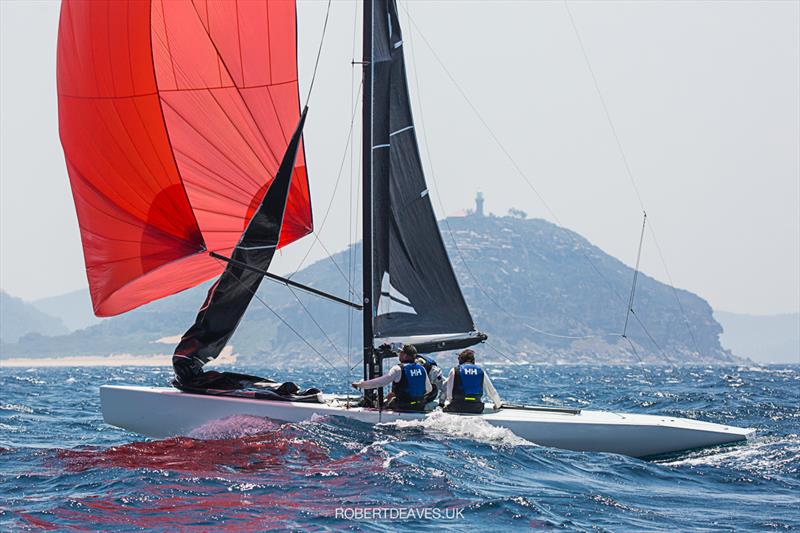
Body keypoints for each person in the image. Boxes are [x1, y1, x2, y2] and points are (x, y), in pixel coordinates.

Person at [351, 344, 432, 412]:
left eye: (401, 352)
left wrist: (360, 385)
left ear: (405, 355)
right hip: (419, 406)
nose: (399, 354)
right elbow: (429, 389)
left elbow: (380, 382)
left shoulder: (398, 369)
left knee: (384, 404)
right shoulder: (422, 369)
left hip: (402, 407)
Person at [443, 349, 502, 414]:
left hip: (456, 407)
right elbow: (492, 392)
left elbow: (449, 394)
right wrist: (498, 404)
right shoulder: (481, 371)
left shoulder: (454, 370)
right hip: (476, 408)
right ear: (473, 360)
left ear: (460, 360)